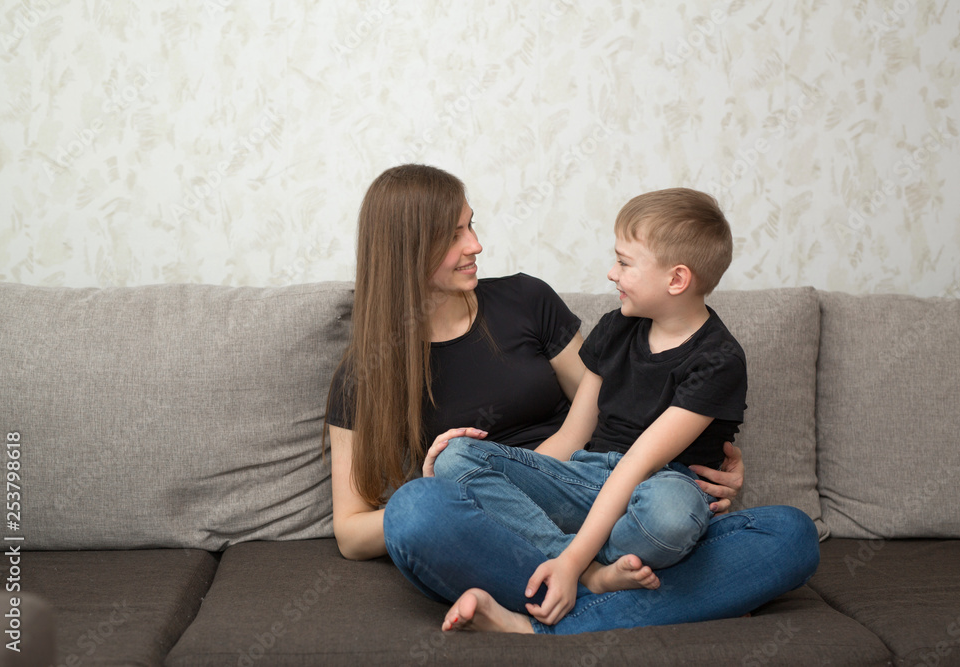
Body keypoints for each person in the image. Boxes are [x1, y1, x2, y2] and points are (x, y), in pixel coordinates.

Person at [326, 163, 818, 635]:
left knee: (792, 535)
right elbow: (350, 534)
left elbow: (616, 414)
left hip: (603, 494)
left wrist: (703, 460)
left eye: (470, 226)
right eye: (454, 234)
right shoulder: (363, 373)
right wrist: (447, 485)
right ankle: (619, 588)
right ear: (407, 248)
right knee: (416, 510)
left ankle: (545, 614)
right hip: (502, 523)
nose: (476, 244)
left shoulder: (526, 299)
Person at [431, 187, 750, 629]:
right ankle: (598, 576)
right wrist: (511, 475)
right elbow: (572, 435)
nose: (610, 273)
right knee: (456, 456)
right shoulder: (614, 328)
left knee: (671, 517)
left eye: (623, 262)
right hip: (587, 479)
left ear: (676, 280)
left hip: (659, 487)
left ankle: (566, 565)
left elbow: (640, 461)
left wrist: (570, 557)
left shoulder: (719, 360)